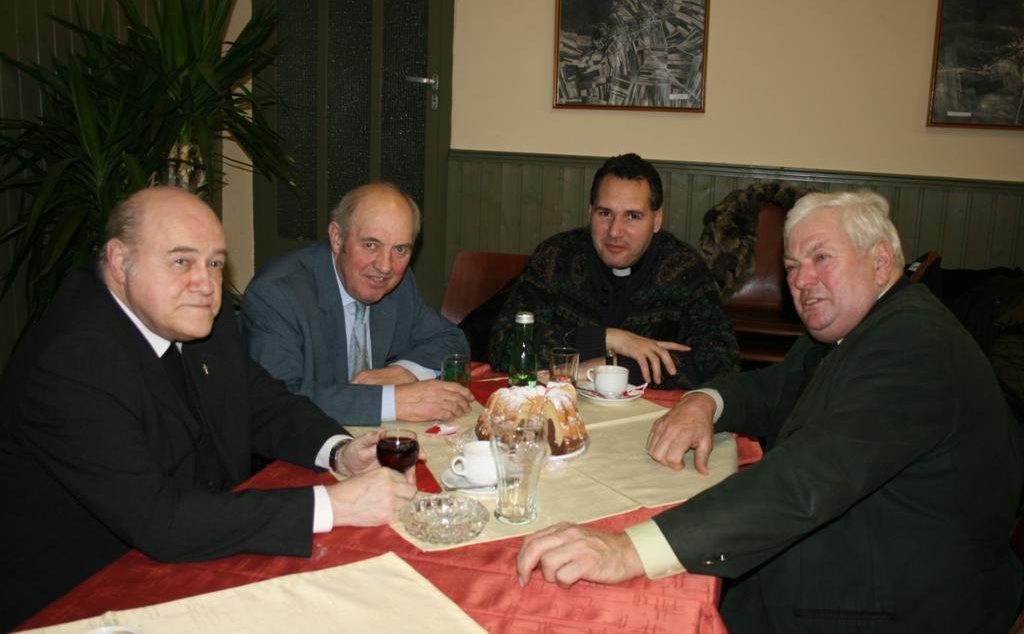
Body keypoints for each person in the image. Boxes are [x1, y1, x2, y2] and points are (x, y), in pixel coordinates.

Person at [516, 191, 1023, 632]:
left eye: (821, 258)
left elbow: (805, 479)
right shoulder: (862, 326)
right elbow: (773, 388)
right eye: (793, 266)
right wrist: (704, 401)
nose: (802, 281)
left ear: (880, 260)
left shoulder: (915, 343)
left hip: (885, 606)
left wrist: (628, 551)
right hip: (850, 565)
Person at [0, 187, 418, 631]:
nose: (205, 284)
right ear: (120, 261)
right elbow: (161, 520)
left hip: (189, 560)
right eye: (181, 261)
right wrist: (332, 504)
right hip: (82, 601)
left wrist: (340, 452)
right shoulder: (73, 359)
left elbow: (264, 403)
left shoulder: (195, 319)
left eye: (215, 263)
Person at [487, 153, 738, 389]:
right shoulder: (555, 257)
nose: (615, 231)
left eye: (632, 216)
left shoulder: (684, 270)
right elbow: (504, 344)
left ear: (657, 220)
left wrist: (612, 367)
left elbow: (722, 363)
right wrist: (608, 339)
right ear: (590, 213)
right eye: (605, 213)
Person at [240, 183, 472, 425]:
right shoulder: (277, 295)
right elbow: (277, 401)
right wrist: (392, 402)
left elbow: (452, 340)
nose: (385, 266)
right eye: (371, 245)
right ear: (337, 238)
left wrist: (404, 372)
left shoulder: (398, 285)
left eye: (400, 249)